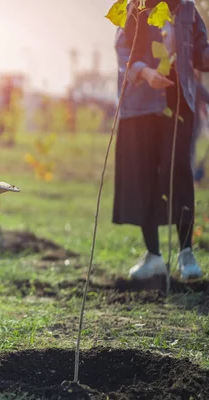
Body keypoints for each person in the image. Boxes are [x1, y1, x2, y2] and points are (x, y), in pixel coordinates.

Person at [113, 0, 207, 281]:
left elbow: (201, 53)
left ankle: (186, 253)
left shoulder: (187, 9)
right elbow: (122, 50)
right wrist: (144, 72)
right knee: (143, 177)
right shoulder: (134, 6)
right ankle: (153, 256)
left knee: (177, 171)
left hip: (177, 102)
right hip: (139, 105)